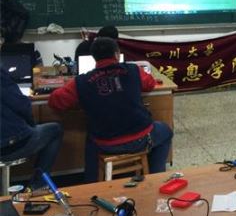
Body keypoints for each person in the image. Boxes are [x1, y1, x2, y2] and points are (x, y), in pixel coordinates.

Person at [49, 37, 173, 182]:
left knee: (91, 139)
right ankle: (156, 178)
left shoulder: (81, 82)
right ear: (116, 54)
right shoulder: (133, 70)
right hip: (141, 139)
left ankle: (91, 183)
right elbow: (150, 84)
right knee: (165, 131)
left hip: (105, 145)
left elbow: (55, 101)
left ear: (94, 57)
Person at [1, 67, 63, 188]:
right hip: (9, 145)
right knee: (56, 130)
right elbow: (21, 105)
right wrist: (31, 124)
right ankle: (38, 186)